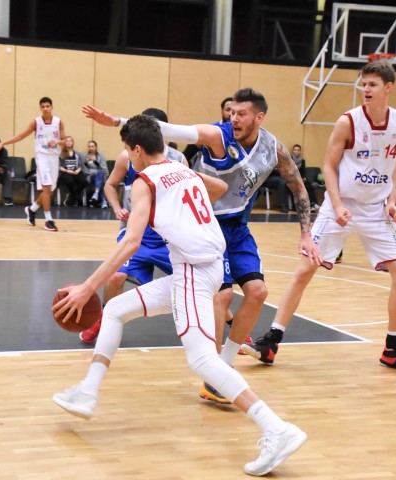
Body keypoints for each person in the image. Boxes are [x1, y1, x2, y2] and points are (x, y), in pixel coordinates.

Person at [52, 115, 307, 476]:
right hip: (208, 266)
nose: (129, 156)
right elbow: (218, 187)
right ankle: (87, 391)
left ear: (137, 150)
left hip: (193, 273)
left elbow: (131, 242)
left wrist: (87, 287)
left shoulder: (144, 182)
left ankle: (275, 428)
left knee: (202, 360)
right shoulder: (182, 170)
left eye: (128, 150)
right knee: (116, 310)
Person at [83, 87, 320, 404]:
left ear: (259, 117)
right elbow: (172, 130)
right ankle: (215, 377)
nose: (233, 118)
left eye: (241, 114)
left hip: (236, 224)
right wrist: (117, 121)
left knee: (258, 293)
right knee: (220, 296)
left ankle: (223, 366)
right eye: (231, 112)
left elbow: (299, 188)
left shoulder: (272, 148)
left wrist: (306, 234)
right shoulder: (217, 136)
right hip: (205, 224)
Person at [243, 60, 396, 374]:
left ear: (388, 88)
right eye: (363, 84)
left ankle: (393, 349)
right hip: (339, 207)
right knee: (305, 269)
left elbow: (392, 162)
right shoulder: (348, 122)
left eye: (372, 85)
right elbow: (329, 166)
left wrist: (393, 197)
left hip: (375, 210)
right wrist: (338, 204)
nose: (365, 90)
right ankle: (270, 342)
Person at [79, 108, 187, 344]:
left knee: (195, 281)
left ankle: (231, 325)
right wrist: (117, 208)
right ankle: (102, 320)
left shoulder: (179, 161)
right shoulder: (127, 157)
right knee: (116, 277)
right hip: (136, 232)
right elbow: (110, 185)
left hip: (167, 238)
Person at [0, 97, 64, 232]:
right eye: (43, 106)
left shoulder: (59, 122)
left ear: (52, 107)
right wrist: (3, 142)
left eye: (48, 106)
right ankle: (49, 220)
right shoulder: (36, 122)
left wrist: (56, 142)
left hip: (54, 158)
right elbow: (21, 136)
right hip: (42, 157)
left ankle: (31, 210)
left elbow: (64, 141)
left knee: (48, 191)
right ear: (40, 108)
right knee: (47, 187)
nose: (45, 108)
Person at [182, 96, 233, 166]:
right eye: (227, 110)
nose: (230, 114)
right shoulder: (212, 128)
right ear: (222, 111)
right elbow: (190, 151)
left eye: (233, 111)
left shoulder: (240, 132)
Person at [57, 136, 89, 206]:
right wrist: (67, 170)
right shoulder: (60, 153)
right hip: (65, 172)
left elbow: (81, 164)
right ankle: (74, 197)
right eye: (67, 141)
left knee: (84, 182)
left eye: (70, 141)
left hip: (75, 171)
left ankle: (72, 196)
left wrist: (78, 170)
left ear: (72, 143)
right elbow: (58, 166)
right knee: (70, 181)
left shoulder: (77, 154)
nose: (68, 142)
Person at [80, 140, 110, 208]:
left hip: (100, 174)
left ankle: (96, 194)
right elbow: (83, 168)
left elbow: (104, 168)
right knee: (100, 178)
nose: (91, 148)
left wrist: (95, 161)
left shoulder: (101, 155)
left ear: (96, 147)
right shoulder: (84, 156)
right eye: (89, 146)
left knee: (100, 175)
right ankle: (103, 200)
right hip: (89, 175)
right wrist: (85, 162)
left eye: (92, 146)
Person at [291, 144, 319, 211]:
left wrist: (303, 178)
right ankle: (301, 206)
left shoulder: (302, 161)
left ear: (300, 151)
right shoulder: (289, 159)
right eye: (295, 150)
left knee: (308, 184)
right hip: (292, 179)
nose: (296, 151)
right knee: (299, 187)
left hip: (300, 179)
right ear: (293, 151)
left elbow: (303, 172)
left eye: (298, 150)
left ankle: (313, 204)